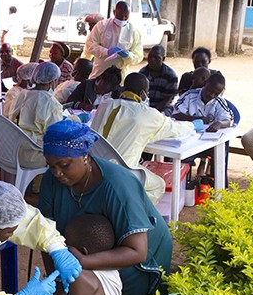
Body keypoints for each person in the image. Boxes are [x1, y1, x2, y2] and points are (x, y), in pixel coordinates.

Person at [38, 120, 173, 295]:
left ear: (84, 156)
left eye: (64, 165)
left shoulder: (117, 186)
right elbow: (46, 235)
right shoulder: (50, 181)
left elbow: (137, 251)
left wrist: (83, 262)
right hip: (85, 260)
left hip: (135, 265)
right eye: (51, 165)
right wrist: (57, 281)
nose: (57, 173)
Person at [91, 73, 193, 204]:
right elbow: (175, 129)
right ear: (143, 93)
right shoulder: (147, 114)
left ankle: (122, 205)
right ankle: (135, 216)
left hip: (93, 167)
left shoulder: (105, 105)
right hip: (121, 172)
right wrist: (192, 125)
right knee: (158, 185)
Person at [172, 72, 234, 178]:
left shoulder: (219, 101)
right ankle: (182, 184)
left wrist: (219, 123)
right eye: (209, 90)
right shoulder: (189, 96)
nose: (211, 95)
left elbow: (228, 120)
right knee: (178, 157)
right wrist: (196, 120)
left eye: (216, 93)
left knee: (222, 149)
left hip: (208, 142)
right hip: (188, 141)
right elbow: (176, 115)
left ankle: (217, 183)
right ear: (205, 83)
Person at [85, 1, 143, 81]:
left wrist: (128, 56)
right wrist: (106, 51)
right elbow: (90, 45)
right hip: (100, 72)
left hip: (120, 76)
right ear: (114, 12)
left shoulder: (133, 31)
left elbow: (138, 56)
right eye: (119, 15)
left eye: (126, 16)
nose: (122, 19)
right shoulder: (102, 26)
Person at [139, 45, 179, 114]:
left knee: (166, 114)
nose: (152, 60)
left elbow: (167, 99)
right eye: (150, 57)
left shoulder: (171, 76)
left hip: (163, 107)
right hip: (145, 106)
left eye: (156, 57)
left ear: (163, 59)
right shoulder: (143, 73)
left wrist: (153, 113)